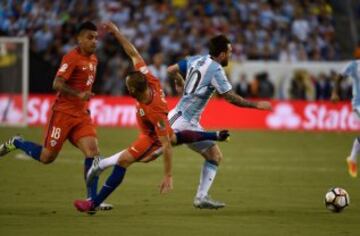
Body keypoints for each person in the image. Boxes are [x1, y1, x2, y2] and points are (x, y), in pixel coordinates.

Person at [73, 22, 229, 214]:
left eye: (127, 86)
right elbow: (133, 53)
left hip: (151, 136)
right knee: (170, 140)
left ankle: (99, 173)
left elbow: (167, 146)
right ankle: (95, 195)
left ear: (132, 91)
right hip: (156, 131)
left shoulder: (155, 112)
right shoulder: (149, 79)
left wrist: (168, 176)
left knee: (144, 155)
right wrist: (116, 32)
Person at [0, 21, 112, 211]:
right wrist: (78, 95)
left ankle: (91, 201)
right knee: (47, 157)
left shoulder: (94, 59)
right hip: (63, 113)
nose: (94, 42)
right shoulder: (71, 58)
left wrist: (83, 102)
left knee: (93, 152)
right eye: (90, 37)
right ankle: (17, 142)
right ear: (79, 39)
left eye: (96, 38)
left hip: (81, 115)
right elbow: (57, 83)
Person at [167, 35, 272, 209]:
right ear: (222, 54)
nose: (231, 56)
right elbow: (230, 97)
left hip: (179, 117)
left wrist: (180, 81)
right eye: (230, 52)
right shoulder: (215, 69)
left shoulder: (196, 59)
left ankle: (201, 197)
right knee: (148, 153)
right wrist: (256, 105)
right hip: (184, 122)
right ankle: (105, 163)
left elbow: (171, 69)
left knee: (214, 155)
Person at [331, 61, 360, 178]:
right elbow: (339, 77)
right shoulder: (355, 65)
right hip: (358, 104)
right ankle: (352, 158)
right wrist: (334, 92)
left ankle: (352, 158)